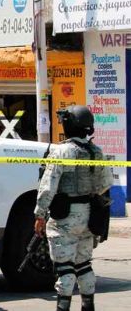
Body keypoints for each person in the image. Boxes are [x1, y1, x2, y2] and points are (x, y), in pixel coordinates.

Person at [35, 105, 114, 311]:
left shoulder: (60, 151)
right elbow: (105, 183)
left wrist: (40, 214)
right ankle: (88, 306)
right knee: (84, 264)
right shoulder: (97, 151)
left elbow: (47, 186)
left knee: (65, 268)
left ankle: (63, 307)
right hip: (90, 217)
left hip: (64, 218)